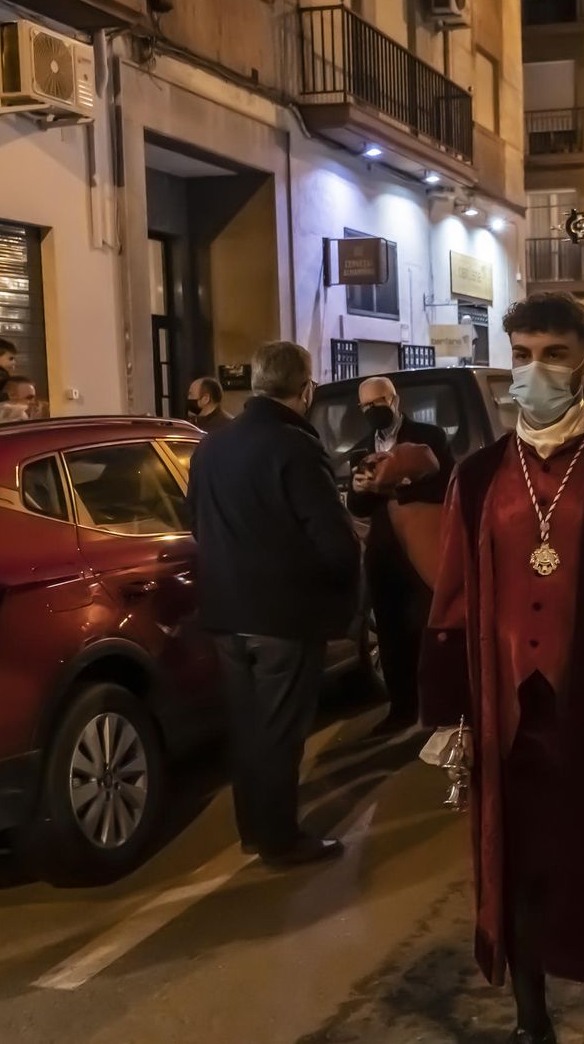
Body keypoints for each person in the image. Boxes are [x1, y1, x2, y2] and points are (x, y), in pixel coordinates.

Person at [418, 291, 584, 1044]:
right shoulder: (474, 478)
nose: (535, 370)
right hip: (510, 714)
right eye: (524, 355)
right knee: (519, 873)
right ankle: (531, 1018)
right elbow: (452, 599)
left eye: (553, 355)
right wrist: (451, 711)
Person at [188, 341, 360, 868]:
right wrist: (345, 590)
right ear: (305, 389)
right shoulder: (294, 447)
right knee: (281, 732)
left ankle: (255, 830)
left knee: (247, 728)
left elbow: (196, 521)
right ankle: (281, 838)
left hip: (225, 612)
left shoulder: (211, 447)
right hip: (281, 615)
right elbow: (332, 537)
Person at [348, 375, 453, 735]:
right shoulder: (361, 449)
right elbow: (357, 505)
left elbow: (447, 485)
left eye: (379, 402)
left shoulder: (429, 438)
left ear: (395, 400)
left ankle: (437, 708)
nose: (373, 410)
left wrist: (398, 487)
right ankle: (401, 709)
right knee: (391, 633)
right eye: (366, 406)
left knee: (427, 629)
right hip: (384, 552)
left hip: (423, 549)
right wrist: (361, 488)